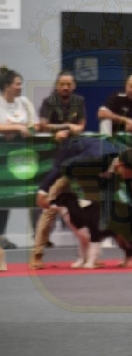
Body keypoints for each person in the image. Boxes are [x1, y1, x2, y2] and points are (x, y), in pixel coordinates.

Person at [34, 136, 132, 269]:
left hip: (91, 174)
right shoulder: (95, 157)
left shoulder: (129, 173)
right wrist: (43, 191)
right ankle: (37, 255)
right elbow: (61, 167)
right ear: (120, 165)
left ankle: (91, 255)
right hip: (68, 164)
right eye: (131, 172)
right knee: (50, 206)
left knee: (95, 210)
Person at [29, 70, 87, 268]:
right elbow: (43, 125)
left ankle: (90, 254)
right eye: (62, 84)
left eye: (69, 84)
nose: (65, 87)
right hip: (57, 165)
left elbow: (81, 126)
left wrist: (67, 128)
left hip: (78, 165)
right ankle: (37, 254)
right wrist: (63, 129)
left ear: (74, 86)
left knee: (88, 208)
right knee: (50, 209)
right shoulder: (49, 102)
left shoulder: (79, 101)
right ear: (57, 85)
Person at [0, 66, 35, 250]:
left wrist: (22, 129)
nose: (20, 87)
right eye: (17, 84)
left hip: (19, 158)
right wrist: (16, 127)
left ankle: (2, 236)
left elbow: (34, 125)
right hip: (1, 156)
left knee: (10, 196)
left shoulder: (24, 102)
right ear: (7, 86)